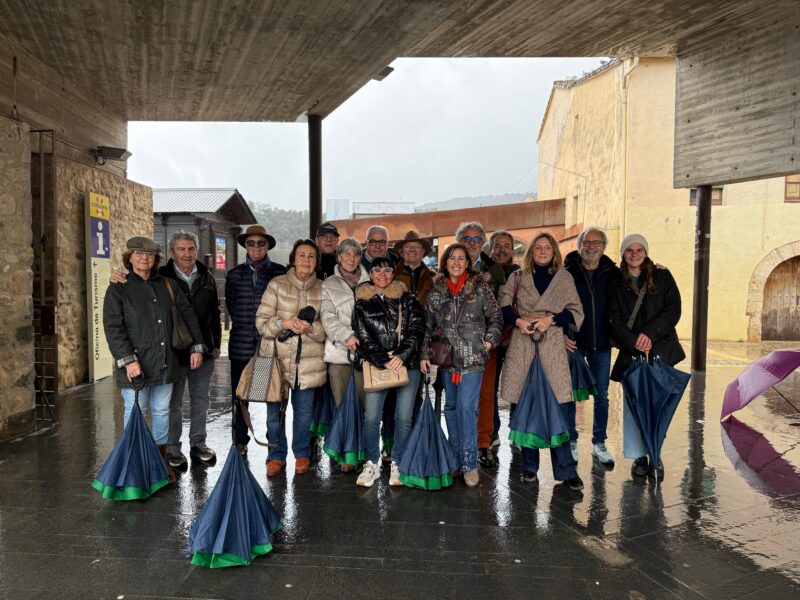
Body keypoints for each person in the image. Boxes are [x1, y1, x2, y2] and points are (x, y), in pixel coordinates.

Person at [109, 231, 222, 468]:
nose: (144, 258)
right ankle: (140, 461)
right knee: (140, 410)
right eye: (139, 253)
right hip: (144, 361)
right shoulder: (121, 288)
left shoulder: (174, 283)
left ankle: (165, 459)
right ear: (129, 257)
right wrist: (128, 359)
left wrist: (202, 346)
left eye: (150, 254)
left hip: (172, 359)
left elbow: (195, 315)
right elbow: (114, 327)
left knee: (167, 408)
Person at [499, 232, 585, 491]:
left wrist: (552, 319)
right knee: (525, 407)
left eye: (548, 247)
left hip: (552, 345)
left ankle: (566, 471)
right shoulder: (517, 277)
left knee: (559, 409)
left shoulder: (564, 277)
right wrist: (519, 321)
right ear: (531, 251)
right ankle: (529, 468)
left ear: (554, 251)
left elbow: (576, 311)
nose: (543, 251)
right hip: (523, 344)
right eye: (538, 247)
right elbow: (503, 307)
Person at [420, 243, 502, 488]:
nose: (456, 262)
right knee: (452, 408)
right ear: (445, 263)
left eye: (461, 258)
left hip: (473, 360)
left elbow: (496, 318)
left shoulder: (480, 288)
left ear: (467, 263)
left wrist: (488, 343)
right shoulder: (436, 293)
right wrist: (424, 353)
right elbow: (426, 326)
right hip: (447, 361)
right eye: (451, 258)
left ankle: (469, 463)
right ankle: (455, 459)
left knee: (467, 408)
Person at [608, 234, 684, 481]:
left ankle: (655, 453)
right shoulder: (616, 281)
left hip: (660, 350)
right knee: (634, 407)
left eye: (639, 249)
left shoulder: (662, 276)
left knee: (659, 407)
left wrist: (649, 334)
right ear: (623, 254)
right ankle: (639, 456)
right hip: (632, 353)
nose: (634, 254)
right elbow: (613, 319)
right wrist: (634, 342)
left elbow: (673, 309)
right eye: (629, 250)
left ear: (646, 252)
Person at [255, 239, 326, 477]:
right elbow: (261, 323)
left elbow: (327, 331)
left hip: (309, 362)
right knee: (274, 413)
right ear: (293, 259)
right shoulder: (277, 284)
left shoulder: (323, 288)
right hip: (274, 360)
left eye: (311, 256)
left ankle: (302, 453)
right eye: (302, 255)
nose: (306, 260)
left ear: (317, 262)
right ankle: (276, 455)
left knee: (304, 413)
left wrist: (310, 328)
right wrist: (284, 323)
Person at [352, 256, 425, 487]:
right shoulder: (362, 302)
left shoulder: (408, 298)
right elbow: (363, 336)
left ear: (393, 273)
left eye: (387, 270)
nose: (382, 275)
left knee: (403, 417)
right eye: (377, 270)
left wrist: (401, 355)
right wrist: (384, 359)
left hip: (407, 364)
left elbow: (417, 329)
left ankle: (398, 462)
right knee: (372, 417)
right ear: (370, 274)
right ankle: (371, 463)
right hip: (377, 365)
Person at [455, 223, 513, 467]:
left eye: (476, 239)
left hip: (485, 344)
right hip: (456, 344)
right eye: (466, 238)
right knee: (458, 398)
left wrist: (490, 339)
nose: (471, 243)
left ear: (482, 243)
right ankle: (459, 443)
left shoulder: (494, 268)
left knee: (486, 394)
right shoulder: (451, 264)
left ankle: (482, 443)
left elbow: (500, 309)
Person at [226, 225, 287, 457]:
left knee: (273, 396)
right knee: (239, 396)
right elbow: (232, 307)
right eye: (251, 243)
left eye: (261, 243)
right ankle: (239, 441)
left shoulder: (279, 272)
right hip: (241, 344)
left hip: (269, 344)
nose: (256, 247)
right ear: (245, 245)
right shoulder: (234, 274)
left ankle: (275, 445)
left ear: (267, 245)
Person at [563, 227, 621, 466]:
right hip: (574, 343)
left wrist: (655, 270)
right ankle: (571, 440)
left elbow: (636, 281)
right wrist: (562, 334)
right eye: (587, 242)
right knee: (569, 394)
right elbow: (556, 305)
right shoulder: (567, 272)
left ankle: (599, 443)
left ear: (604, 247)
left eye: (597, 242)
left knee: (602, 396)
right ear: (580, 245)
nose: (591, 246)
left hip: (602, 344)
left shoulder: (613, 272)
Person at [321, 237, 370, 414]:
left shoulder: (371, 282)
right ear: (339, 256)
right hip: (339, 355)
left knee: (366, 410)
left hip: (367, 356)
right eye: (347, 254)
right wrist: (346, 335)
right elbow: (327, 317)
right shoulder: (329, 284)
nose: (351, 258)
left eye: (356, 254)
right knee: (343, 409)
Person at [393, 230, 436, 304]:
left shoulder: (434, 278)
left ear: (423, 252)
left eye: (417, 246)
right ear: (401, 252)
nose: (412, 249)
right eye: (407, 246)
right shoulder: (390, 277)